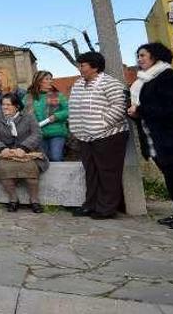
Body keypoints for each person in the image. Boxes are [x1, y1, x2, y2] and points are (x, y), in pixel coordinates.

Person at [128, 43, 173, 230]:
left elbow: (170, 107)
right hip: (155, 138)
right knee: (170, 177)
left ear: (156, 57)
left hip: (172, 137)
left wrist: (140, 110)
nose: (139, 59)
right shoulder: (144, 81)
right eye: (138, 55)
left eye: (143, 55)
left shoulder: (168, 77)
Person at [68, 52, 129, 220]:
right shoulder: (78, 84)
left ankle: (106, 208)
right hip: (85, 137)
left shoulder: (110, 83)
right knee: (91, 172)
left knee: (108, 172)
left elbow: (119, 106)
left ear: (94, 67)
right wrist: (76, 127)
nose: (80, 68)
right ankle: (90, 205)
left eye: (83, 65)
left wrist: (101, 124)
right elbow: (73, 107)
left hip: (109, 135)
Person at [0, 94, 48, 213]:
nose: (5, 107)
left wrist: (23, 147)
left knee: (31, 170)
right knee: (4, 170)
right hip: (4, 153)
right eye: (3, 105)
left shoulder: (29, 117)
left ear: (17, 106)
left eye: (8, 105)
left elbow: (37, 134)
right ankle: (13, 199)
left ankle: (34, 200)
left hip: (26, 152)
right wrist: (1, 148)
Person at [25, 70, 69, 162]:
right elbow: (22, 113)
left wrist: (56, 116)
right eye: (47, 79)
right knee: (43, 159)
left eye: (51, 79)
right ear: (39, 81)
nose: (50, 81)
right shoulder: (28, 97)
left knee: (55, 157)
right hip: (38, 134)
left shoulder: (55, 95)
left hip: (56, 132)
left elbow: (68, 110)